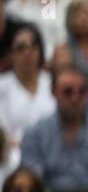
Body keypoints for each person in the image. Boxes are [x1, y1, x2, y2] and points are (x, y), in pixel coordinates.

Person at [20, 65, 88, 188]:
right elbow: (33, 185)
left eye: (82, 91)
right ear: (53, 92)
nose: (75, 98)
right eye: (67, 92)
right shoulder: (35, 135)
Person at [0, 22, 53, 168]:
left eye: (33, 46)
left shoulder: (52, 83)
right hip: (11, 157)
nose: (28, 53)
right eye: (20, 48)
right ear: (10, 54)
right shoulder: (2, 86)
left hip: (51, 153)